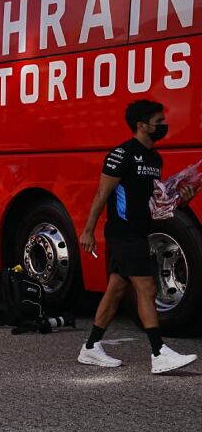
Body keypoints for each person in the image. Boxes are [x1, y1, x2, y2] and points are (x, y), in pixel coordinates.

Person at [78, 98, 196, 374]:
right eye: (158, 122)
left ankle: (91, 348)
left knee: (117, 289)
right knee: (147, 288)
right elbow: (101, 194)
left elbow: (156, 204)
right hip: (123, 232)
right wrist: (88, 231)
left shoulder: (155, 158)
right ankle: (158, 353)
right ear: (142, 126)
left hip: (140, 232)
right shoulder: (121, 154)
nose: (163, 126)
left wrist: (183, 199)